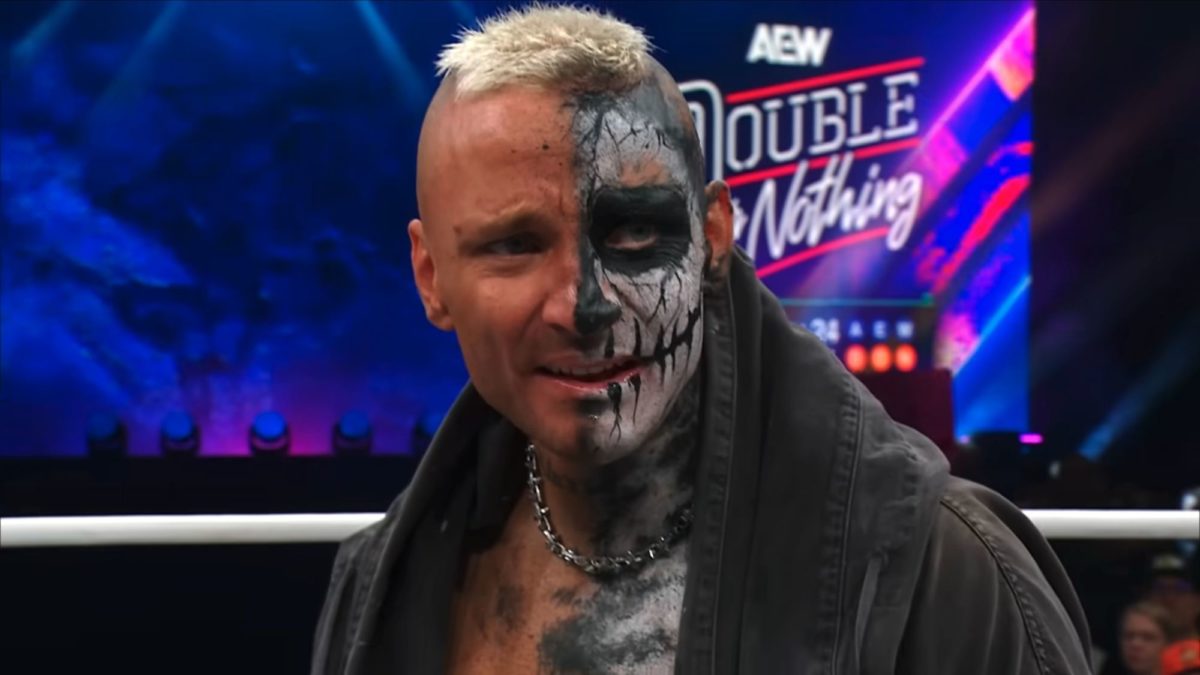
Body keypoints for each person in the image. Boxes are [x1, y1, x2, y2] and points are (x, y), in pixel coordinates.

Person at [312, 5, 1092, 673]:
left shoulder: (942, 570)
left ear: (714, 236)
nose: (583, 305)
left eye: (635, 232)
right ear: (430, 276)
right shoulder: (382, 582)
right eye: (514, 244)